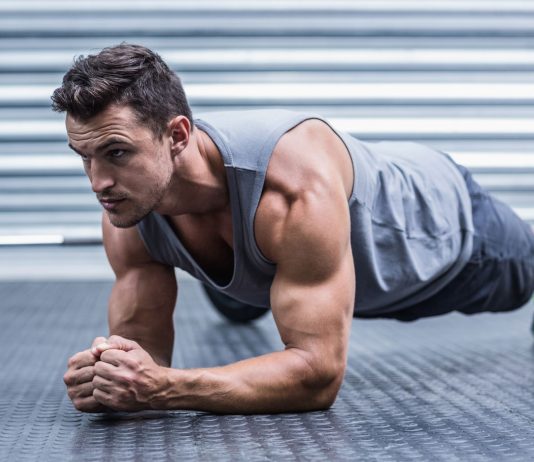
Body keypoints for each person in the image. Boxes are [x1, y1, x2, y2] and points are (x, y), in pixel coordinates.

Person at [54, 43, 534, 414]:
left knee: (524, 278)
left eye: (117, 153)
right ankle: (247, 285)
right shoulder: (129, 204)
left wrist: (168, 388)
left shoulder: (292, 190)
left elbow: (318, 376)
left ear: (177, 135)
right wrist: (113, 379)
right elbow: (144, 356)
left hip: (445, 232)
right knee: (259, 272)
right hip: (273, 252)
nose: (98, 182)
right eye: (85, 158)